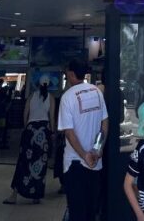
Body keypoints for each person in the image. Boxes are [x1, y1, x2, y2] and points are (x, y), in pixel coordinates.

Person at [58, 57, 108, 221]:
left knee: (77, 211)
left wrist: (84, 154)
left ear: (72, 74)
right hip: (96, 163)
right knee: (91, 211)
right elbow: (104, 124)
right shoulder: (97, 92)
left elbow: (69, 132)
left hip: (75, 163)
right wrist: (97, 149)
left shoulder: (67, 97)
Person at [5, 75, 57, 204]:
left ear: (38, 84)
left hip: (30, 130)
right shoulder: (50, 98)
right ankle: (36, 194)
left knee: (23, 162)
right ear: (48, 84)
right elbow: (51, 118)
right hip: (43, 132)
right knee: (40, 163)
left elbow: (25, 113)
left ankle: (15, 194)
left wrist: (26, 127)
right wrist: (53, 132)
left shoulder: (31, 96)